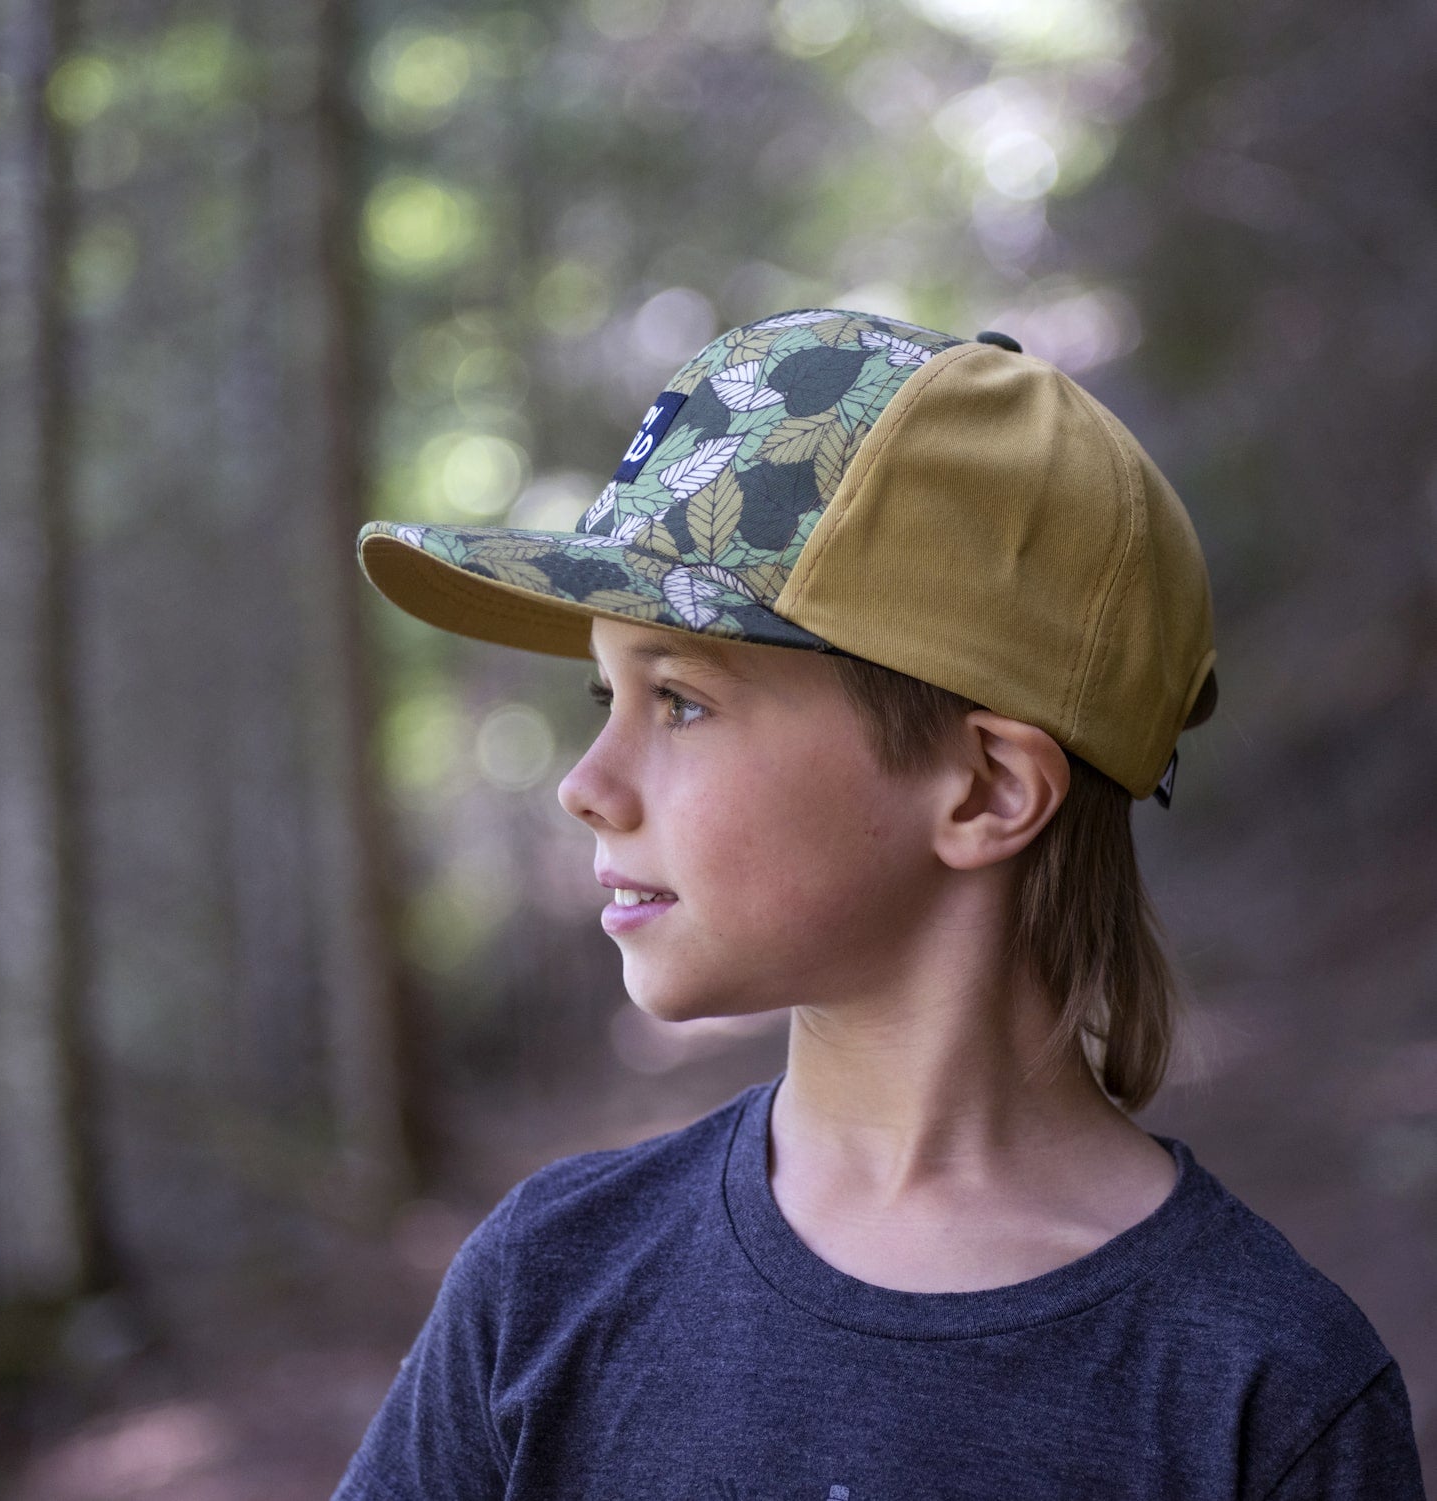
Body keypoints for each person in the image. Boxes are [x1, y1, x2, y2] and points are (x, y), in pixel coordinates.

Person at [332, 309, 1427, 1499]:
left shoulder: (1263, 1394)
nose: (585, 785)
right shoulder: (545, 1286)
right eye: (605, 695)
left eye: (682, 701)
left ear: (987, 788)